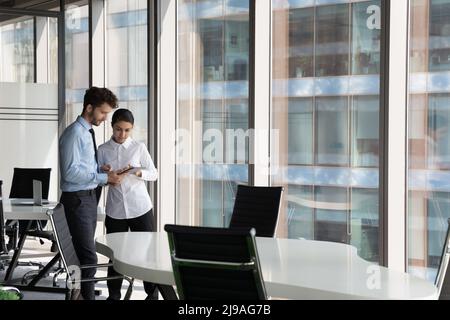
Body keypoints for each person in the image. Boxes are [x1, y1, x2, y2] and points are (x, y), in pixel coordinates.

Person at [59, 87, 123, 300]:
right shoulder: (74, 133)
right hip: (78, 200)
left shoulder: (86, 132)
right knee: (88, 256)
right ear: (89, 108)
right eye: (103, 113)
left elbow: (80, 167)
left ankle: (79, 296)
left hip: (87, 198)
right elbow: (69, 173)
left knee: (82, 255)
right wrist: (104, 178)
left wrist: (98, 169)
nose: (105, 118)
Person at [98, 109, 159, 301]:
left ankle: (152, 294)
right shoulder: (102, 150)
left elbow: (154, 173)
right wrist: (105, 174)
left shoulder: (138, 148)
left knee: (149, 252)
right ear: (112, 126)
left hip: (140, 208)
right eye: (118, 129)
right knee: (115, 254)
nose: (122, 134)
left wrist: (138, 173)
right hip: (116, 210)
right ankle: (114, 295)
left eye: (127, 130)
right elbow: (97, 178)